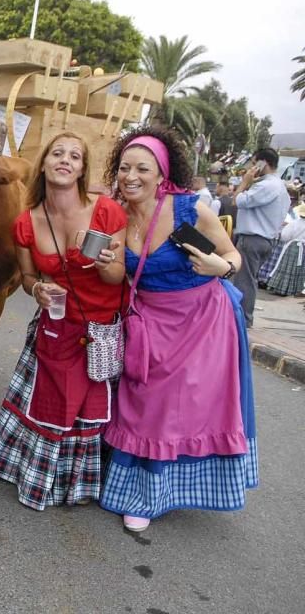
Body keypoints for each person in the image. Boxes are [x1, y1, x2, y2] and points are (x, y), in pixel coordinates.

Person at [99, 126, 258, 533]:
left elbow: (232, 254)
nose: (131, 176)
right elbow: (117, 275)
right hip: (148, 323)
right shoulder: (117, 214)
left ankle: (151, 498)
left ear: (161, 173)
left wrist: (220, 268)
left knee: (170, 407)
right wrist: (104, 265)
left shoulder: (191, 209)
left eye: (142, 168)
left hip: (202, 321)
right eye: (124, 168)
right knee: (140, 401)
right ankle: (134, 485)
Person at [0, 133, 127, 510]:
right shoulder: (26, 223)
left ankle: (79, 485)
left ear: (81, 169)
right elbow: (28, 280)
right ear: (43, 164)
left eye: (75, 156)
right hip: (57, 327)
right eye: (57, 153)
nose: (65, 160)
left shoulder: (107, 212)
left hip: (101, 329)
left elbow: (117, 278)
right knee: (51, 405)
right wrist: (38, 291)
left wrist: (109, 265)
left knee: (87, 410)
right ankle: (40, 478)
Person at [230, 147, 291, 326]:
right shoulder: (279, 186)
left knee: (244, 280)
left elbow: (238, 200)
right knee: (248, 278)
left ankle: (242, 319)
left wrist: (245, 182)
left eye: (255, 162)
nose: (252, 166)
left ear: (264, 163)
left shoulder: (267, 185)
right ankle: (242, 317)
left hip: (253, 238)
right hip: (265, 239)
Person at [265, 200, 305, 296]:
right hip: (303, 248)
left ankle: (281, 287)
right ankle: (294, 289)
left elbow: (284, 236)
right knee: (299, 269)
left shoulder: (295, 223)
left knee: (286, 267)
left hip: (293, 246)